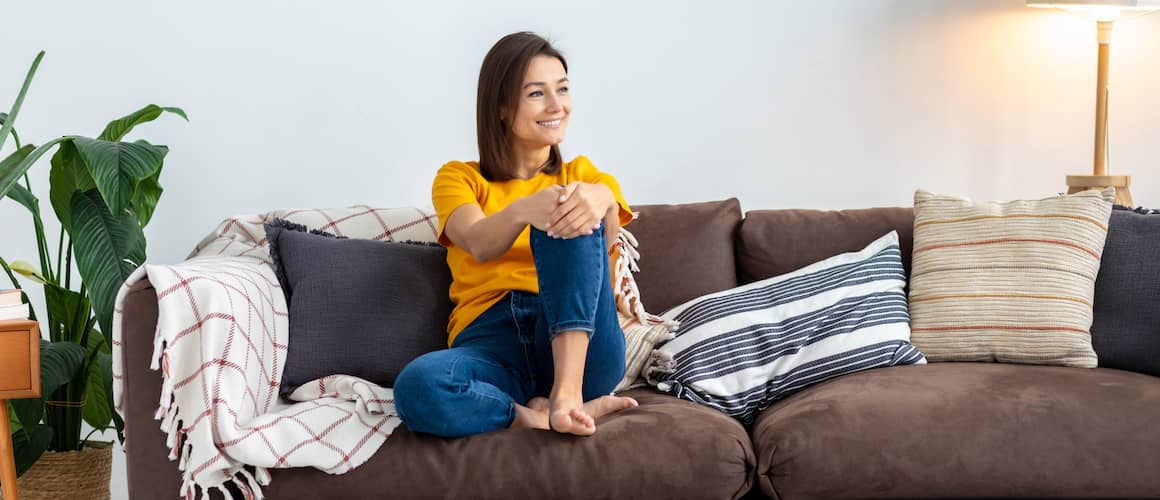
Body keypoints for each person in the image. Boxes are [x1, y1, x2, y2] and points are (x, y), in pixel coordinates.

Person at [393, 32, 639, 437]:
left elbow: (605, 244)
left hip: (581, 346)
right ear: (503, 107)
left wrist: (601, 198)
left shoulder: (585, 177)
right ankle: (535, 415)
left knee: (570, 209)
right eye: (537, 94)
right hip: (491, 345)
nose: (557, 105)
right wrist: (526, 209)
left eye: (562, 89)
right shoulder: (459, 178)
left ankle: (567, 394)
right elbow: (477, 241)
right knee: (418, 387)